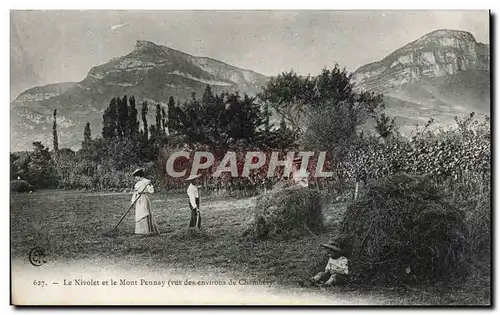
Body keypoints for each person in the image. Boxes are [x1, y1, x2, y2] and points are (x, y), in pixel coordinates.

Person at [131, 168, 159, 235]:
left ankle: (147, 230)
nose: (135, 178)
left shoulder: (146, 182)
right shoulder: (137, 184)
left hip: (143, 198)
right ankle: (140, 231)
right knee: (139, 213)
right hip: (138, 199)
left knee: (144, 212)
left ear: (139, 175)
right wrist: (133, 200)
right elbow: (135, 193)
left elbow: (151, 191)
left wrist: (148, 187)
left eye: (136, 176)